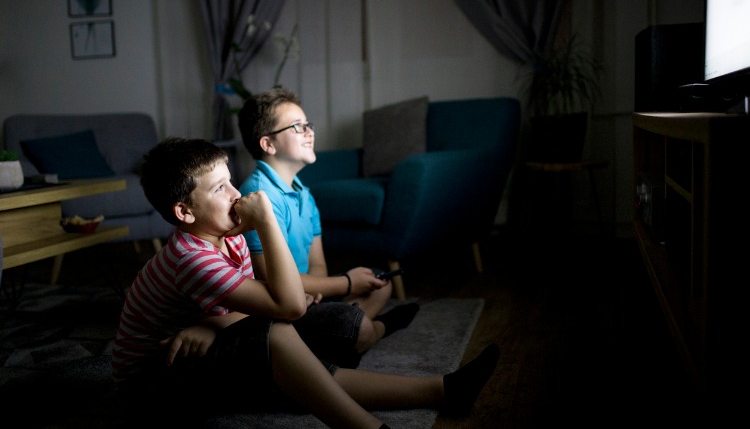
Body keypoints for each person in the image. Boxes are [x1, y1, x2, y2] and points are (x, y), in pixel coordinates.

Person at [110, 137, 500, 427]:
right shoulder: (191, 257)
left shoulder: (226, 239)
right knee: (280, 338)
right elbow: (288, 305)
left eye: (231, 181)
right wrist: (265, 220)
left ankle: (442, 390)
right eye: (219, 189)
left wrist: (210, 325)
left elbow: (268, 303)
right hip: (154, 385)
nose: (235, 194)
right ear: (184, 211)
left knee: (302, 353)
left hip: (199, 348)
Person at [236, 88, 419, 367]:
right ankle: (377, 329)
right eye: (298, 127)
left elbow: (317, 264)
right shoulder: (258, 196)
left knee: (380, 285)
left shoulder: (305, 194)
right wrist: (346, 283)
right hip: (279, 305)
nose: (310, 132)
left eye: (309, 125)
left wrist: (322, 293)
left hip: (308, 296)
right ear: (268, 144)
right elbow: (269, 280)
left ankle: (338, 338)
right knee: (357, 324)